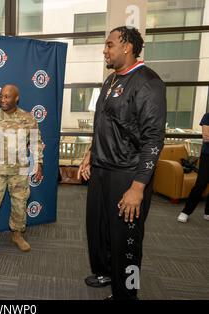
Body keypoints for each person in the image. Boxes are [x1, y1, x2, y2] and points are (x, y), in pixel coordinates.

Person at [77, 26, 166, 300]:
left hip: (127, 175)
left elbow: (153, 140)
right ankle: (105, 271)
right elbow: (103, 124)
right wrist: (89, 155)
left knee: (127, 241)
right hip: (101, 170)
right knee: (99, 230)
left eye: (109, 45)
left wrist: (138, 188)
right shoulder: (111, 80)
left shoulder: (148, 82)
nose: (105, 50)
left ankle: (127, 294)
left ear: (127, 46)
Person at [0, 84, 44, 256]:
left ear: (16, 98)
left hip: (19, 171)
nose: (2, 100)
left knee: (20, 205)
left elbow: (36, 142)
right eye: (1, 96)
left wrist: (39, 163)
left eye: (7, 97)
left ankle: (17, 234)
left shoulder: (28, 119)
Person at [177, 113, 209, 223]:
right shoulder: (208, 116)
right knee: (201, 184)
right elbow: (206, 137)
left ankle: (208, 212)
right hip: (207, 156)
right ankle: (185, 211)